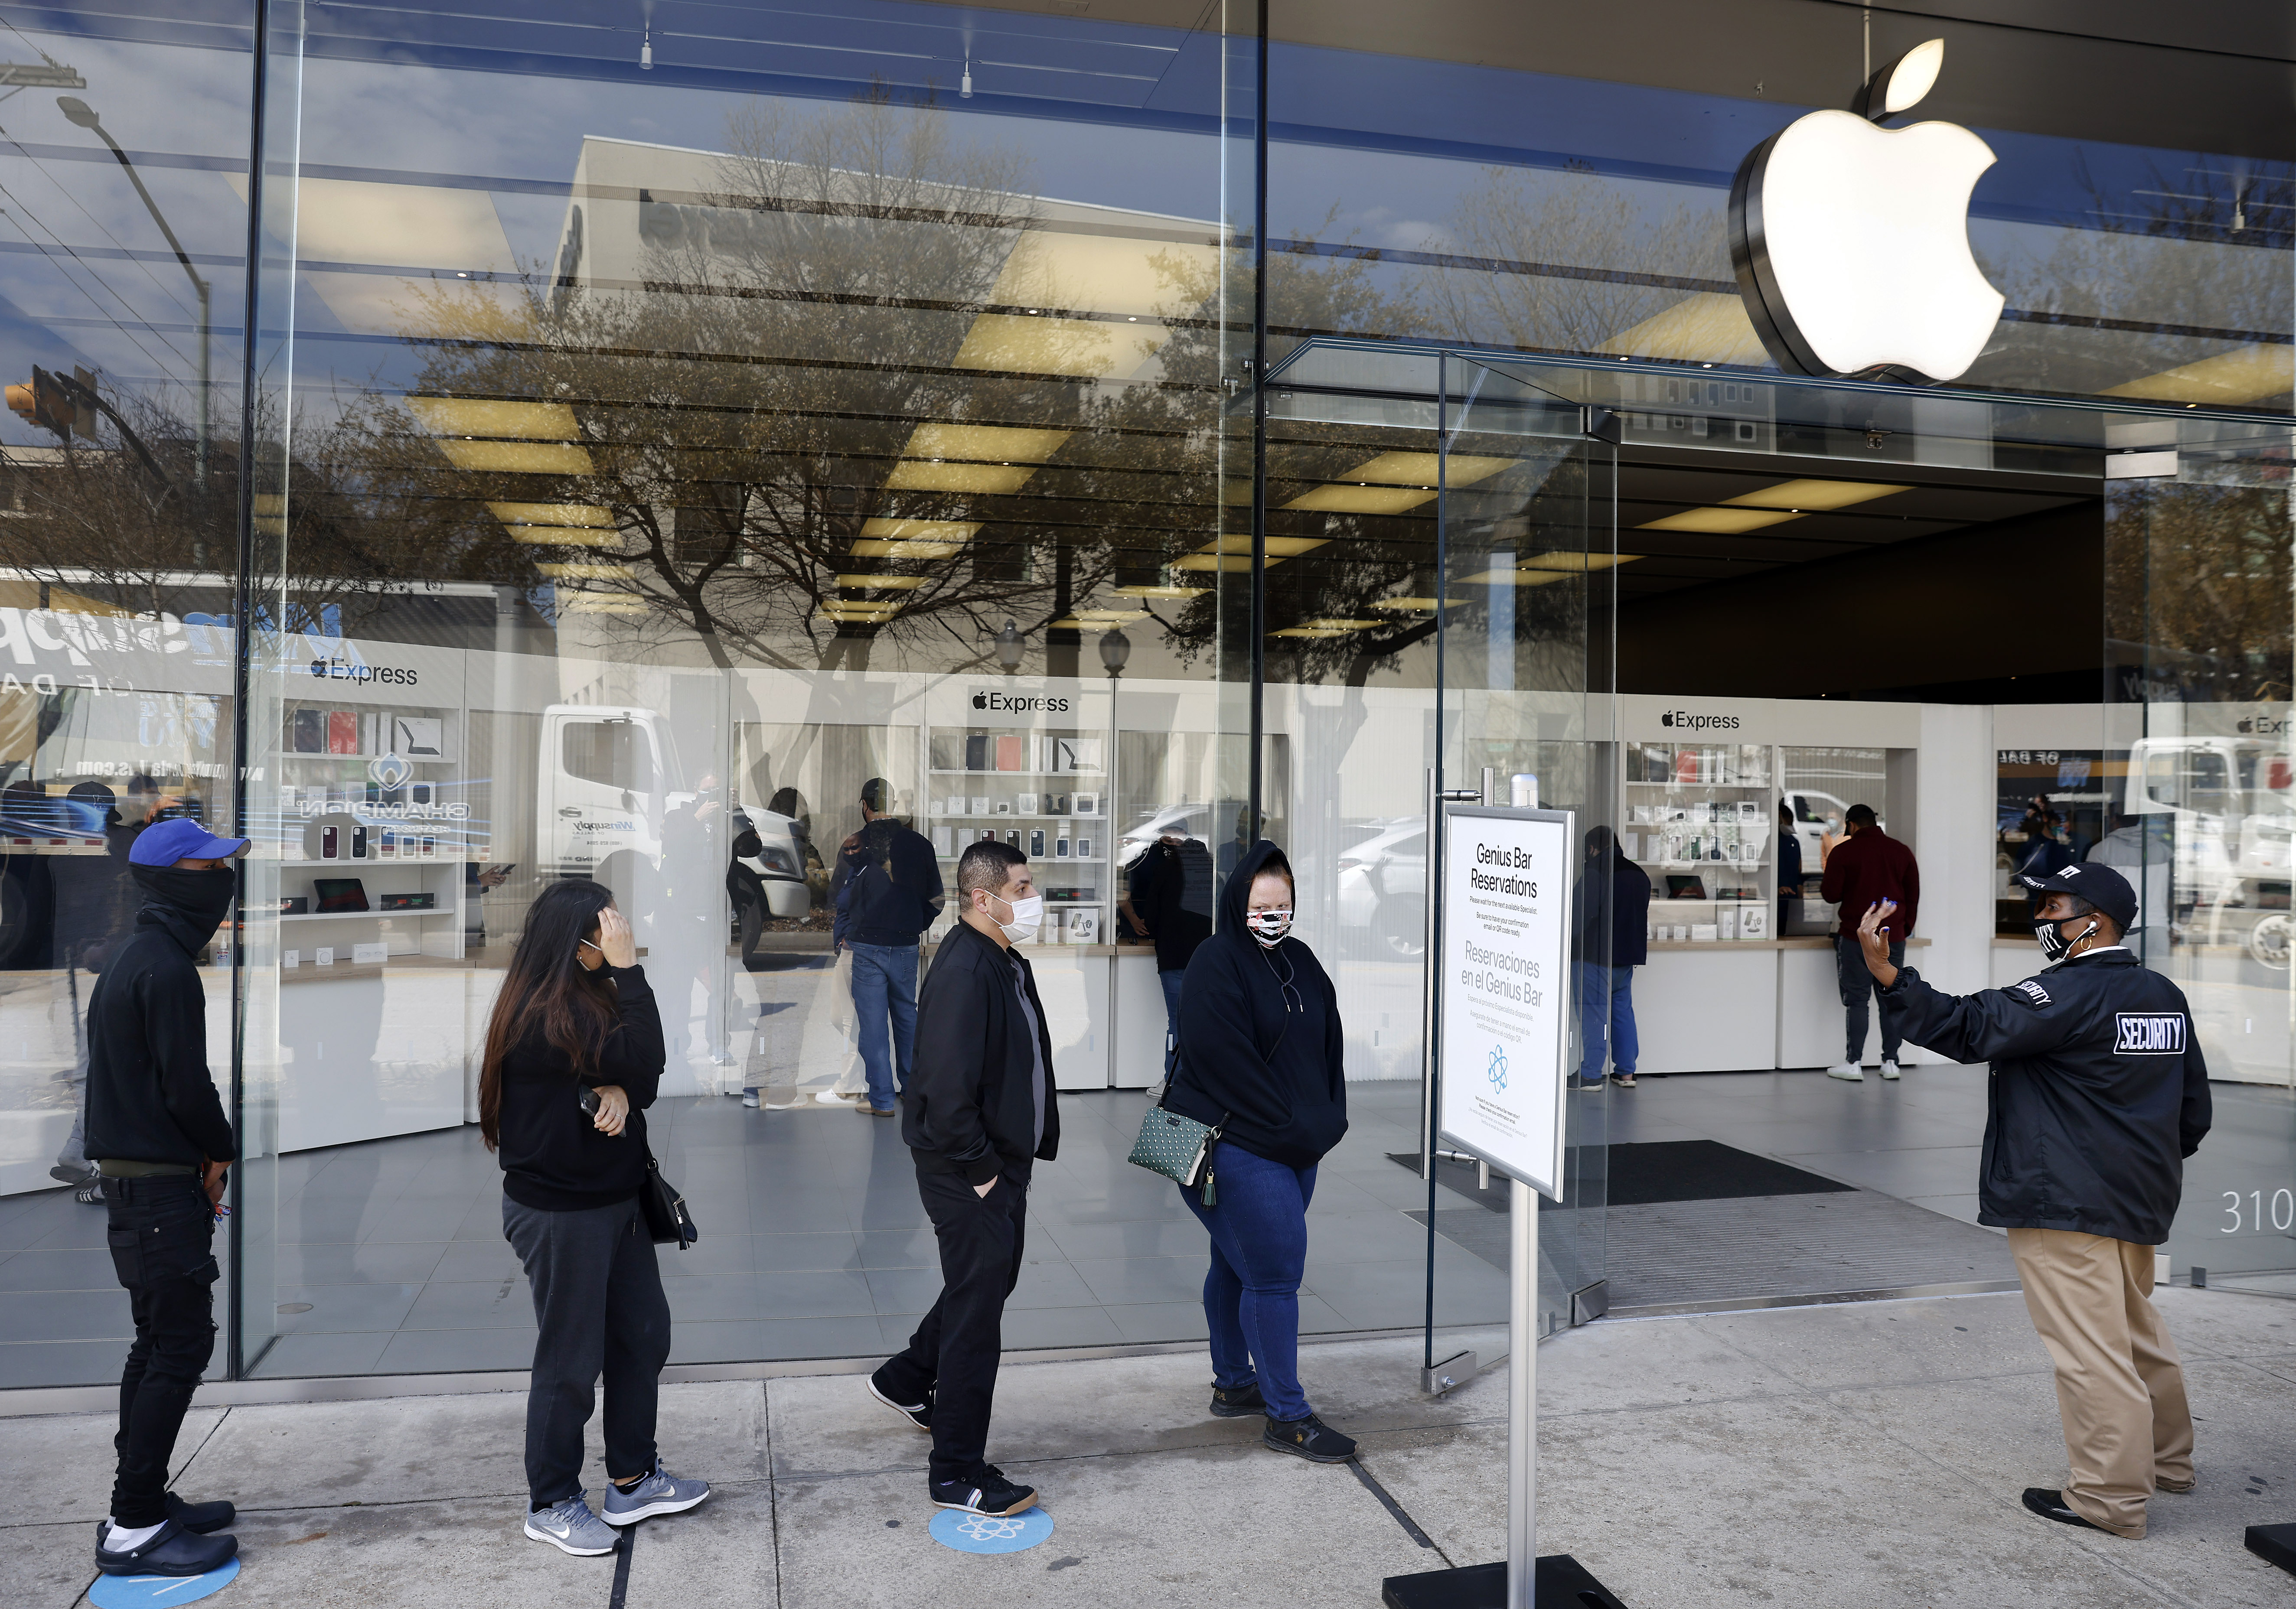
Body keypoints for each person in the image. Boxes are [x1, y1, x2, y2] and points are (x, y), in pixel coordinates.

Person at [1858, 863, 2208, 1541]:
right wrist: (2149, 1164)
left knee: (2091, 1350)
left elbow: (1967, 1028)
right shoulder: (2162, 993)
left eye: (2054, 907)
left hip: (2064, 1201)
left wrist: (1890, 975)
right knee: (2137, 1331)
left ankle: (2109, 1497)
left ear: (2096, 922)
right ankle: (2169, 1462)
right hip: (2138, 1194)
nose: (2042, 918)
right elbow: (2192, 1106)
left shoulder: (2064, 993)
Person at [482, 880, 710, 1557]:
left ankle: (633, 1479)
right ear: (575, 942)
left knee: (642, 1337)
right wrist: (630, 970)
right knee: (571, 1360)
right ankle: (550, 1500)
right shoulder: (543, 1009)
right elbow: (649, 1057)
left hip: (615, 1201)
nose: (613, 940)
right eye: (603, 933)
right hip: (561, 1211)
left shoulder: (584, 997)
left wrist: (612, 1084)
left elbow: (639, 1078)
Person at [868, 840, 1059, 1518]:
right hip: (968, 1166)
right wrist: (983, 1174)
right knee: (979, 1315)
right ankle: (956, 1472)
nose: (1035, 898)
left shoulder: (1004, 960)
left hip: (999, 1161)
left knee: (989, 1280)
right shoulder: (964, 971)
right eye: (1025, 885)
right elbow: (944, 1087)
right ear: (984, 897)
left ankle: (908, 1375)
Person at [85, 816, 249, 1579]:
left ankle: (144, 1497)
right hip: (159, 1195)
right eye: (207, 865)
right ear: (169, 877)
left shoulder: (135, 955)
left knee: (156, 1343)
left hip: (139, 1186)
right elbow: (188, 1087)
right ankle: (134, 1526)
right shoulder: (166, 967)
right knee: (178, 1346)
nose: (222, 878)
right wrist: (221, 1149)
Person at [1164, 840, 1355, 1463]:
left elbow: (1329, 1045)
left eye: (1283, 903)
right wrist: (1292, 1124)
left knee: (1234, 1263)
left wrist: (1324, 1120)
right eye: (1261, 903)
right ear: (1237, 902)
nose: (1273, 915)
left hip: (1295, 1145)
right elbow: (1223, 1062)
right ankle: (1287, 1417)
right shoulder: (1215, 960)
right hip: (1233, 1145)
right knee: (1274, 1277)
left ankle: (1234, 1382)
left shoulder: (1300, 959)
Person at [50, 781, 143, 1202]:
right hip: (114, 964)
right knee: (94, 1061)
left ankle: (96, 1156)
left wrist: (104, 945)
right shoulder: (103, 843)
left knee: (98, 1064)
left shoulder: (118, 846)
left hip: (120, 965)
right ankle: (85, 1152)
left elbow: (126, 908)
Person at [831, 778, 944, 1117]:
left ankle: (881, 1102)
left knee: (874, 1025)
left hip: (866, 946)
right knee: (907, 1018)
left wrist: (847, 934)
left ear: (864, 805)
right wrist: (913, 924)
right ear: (892, 805)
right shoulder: (920, 843)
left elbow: (840, 896)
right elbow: (936, 899)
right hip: (907, 944)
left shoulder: (855, 844)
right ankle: (913, 1093)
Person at [1819, 802, 1919, 1082]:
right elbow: (1913, 895)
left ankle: (1854, 1063)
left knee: (1858, 1001)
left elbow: (1830, 894)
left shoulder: (1844, 851)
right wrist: (1904, 927)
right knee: (1890, 999)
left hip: (1855, 936)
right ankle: (1891, 1062)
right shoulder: (1901, 851)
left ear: (1851, 825)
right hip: (1893, 937)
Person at [1118, 832, 1215, 1083]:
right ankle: (1203, 1083)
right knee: (1206, 1022)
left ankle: (1172, 1082)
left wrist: (1151, 928)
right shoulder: (1216, 879)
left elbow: (1151, 916)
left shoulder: (1163, 872)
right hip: (1208, 961)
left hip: (1173, 958)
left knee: (1176, 1022)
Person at [1572, 826, 1651, 1089]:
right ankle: (1626, 1073)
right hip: (1626, 960)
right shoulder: (1639, 874)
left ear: (1593, 848)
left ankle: (1591, 1075)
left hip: (1595, 958)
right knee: (1622, 1013)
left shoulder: (1596, 871)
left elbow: (1578, 917)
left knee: (1594, 1013)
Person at [1776, 799, 1804, 931]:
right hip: (1784, 902)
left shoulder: (1791, 841)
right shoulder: (1788, 842)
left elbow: (1799, 869)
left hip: (1787, 902)